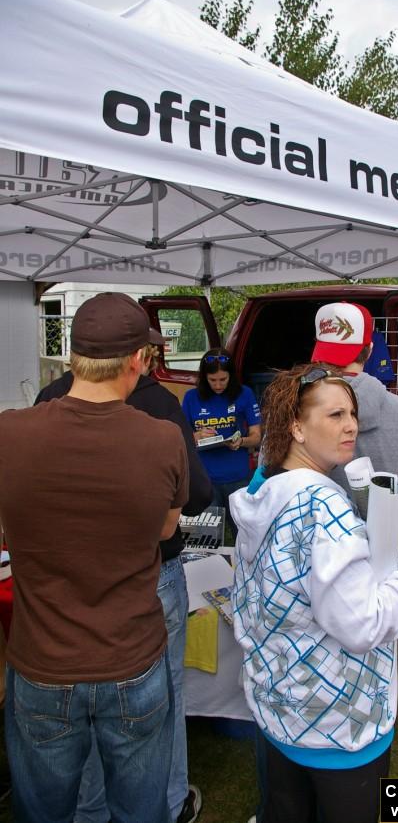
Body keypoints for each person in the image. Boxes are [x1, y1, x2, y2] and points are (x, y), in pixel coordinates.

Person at [0, 292, 189, 823]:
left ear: (72, 358)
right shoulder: (162, 439)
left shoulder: (10, 432)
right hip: (132, 660)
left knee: (42, 813)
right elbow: (164, 528)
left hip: (42, 663)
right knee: (139, 812)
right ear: (136, 360)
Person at [231, 363, 398, 823]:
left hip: (280, 706)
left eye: (353, 414)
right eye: (336, 415)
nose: (352, 426)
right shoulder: (325, 508)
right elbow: (362, 623)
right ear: (297, 428)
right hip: (340, 724)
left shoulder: (265, 491)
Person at [35, 343, 213, 823]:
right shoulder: (158, 406)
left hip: (66, 573)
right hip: (148, 570)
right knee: (159, 697)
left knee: (81, 699)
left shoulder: (49, 398)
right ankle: (168, 802)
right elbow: (197, 494)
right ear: (142, 357)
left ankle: (93, 809)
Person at [311, 301, 398, 546]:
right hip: (383, 549)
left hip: (315, 549)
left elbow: (270, 482)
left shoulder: (295, 408)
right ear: (370, 349)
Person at [182, 348, 261, 539]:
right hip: (204, 480)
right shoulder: (191, 398)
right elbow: (180, 436)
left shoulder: (245, 394)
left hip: (238, 477)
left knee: (245, 539)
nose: (218, 385)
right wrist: (197, 435)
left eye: (223, 380)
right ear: (204, 377)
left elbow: (257, 436)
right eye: (212, 380)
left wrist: (241, 441)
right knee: (204, 540)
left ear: (231, 376)